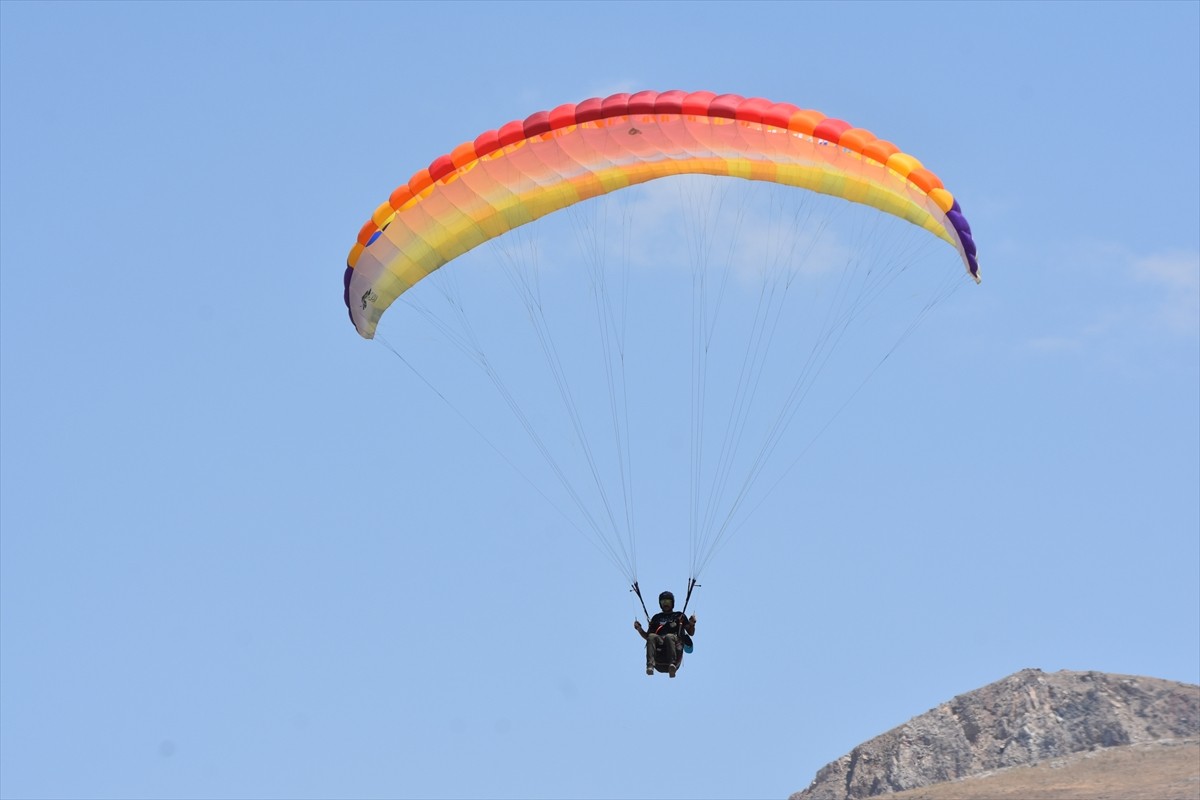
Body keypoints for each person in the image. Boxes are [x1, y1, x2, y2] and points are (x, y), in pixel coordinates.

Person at [633, 590, 697, 678]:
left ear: (672, 603)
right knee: (652, 636)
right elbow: (647, 637)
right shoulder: (656, 618)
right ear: (660, 603)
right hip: (659, 655)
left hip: (675, 648)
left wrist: (692, 624)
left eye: (668, 601)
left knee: (669, 636)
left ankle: (672, 665)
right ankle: (650, 666)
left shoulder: (679, 615)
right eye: (663, 602)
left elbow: (691, 633)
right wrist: (639, 629)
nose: (665, 604)